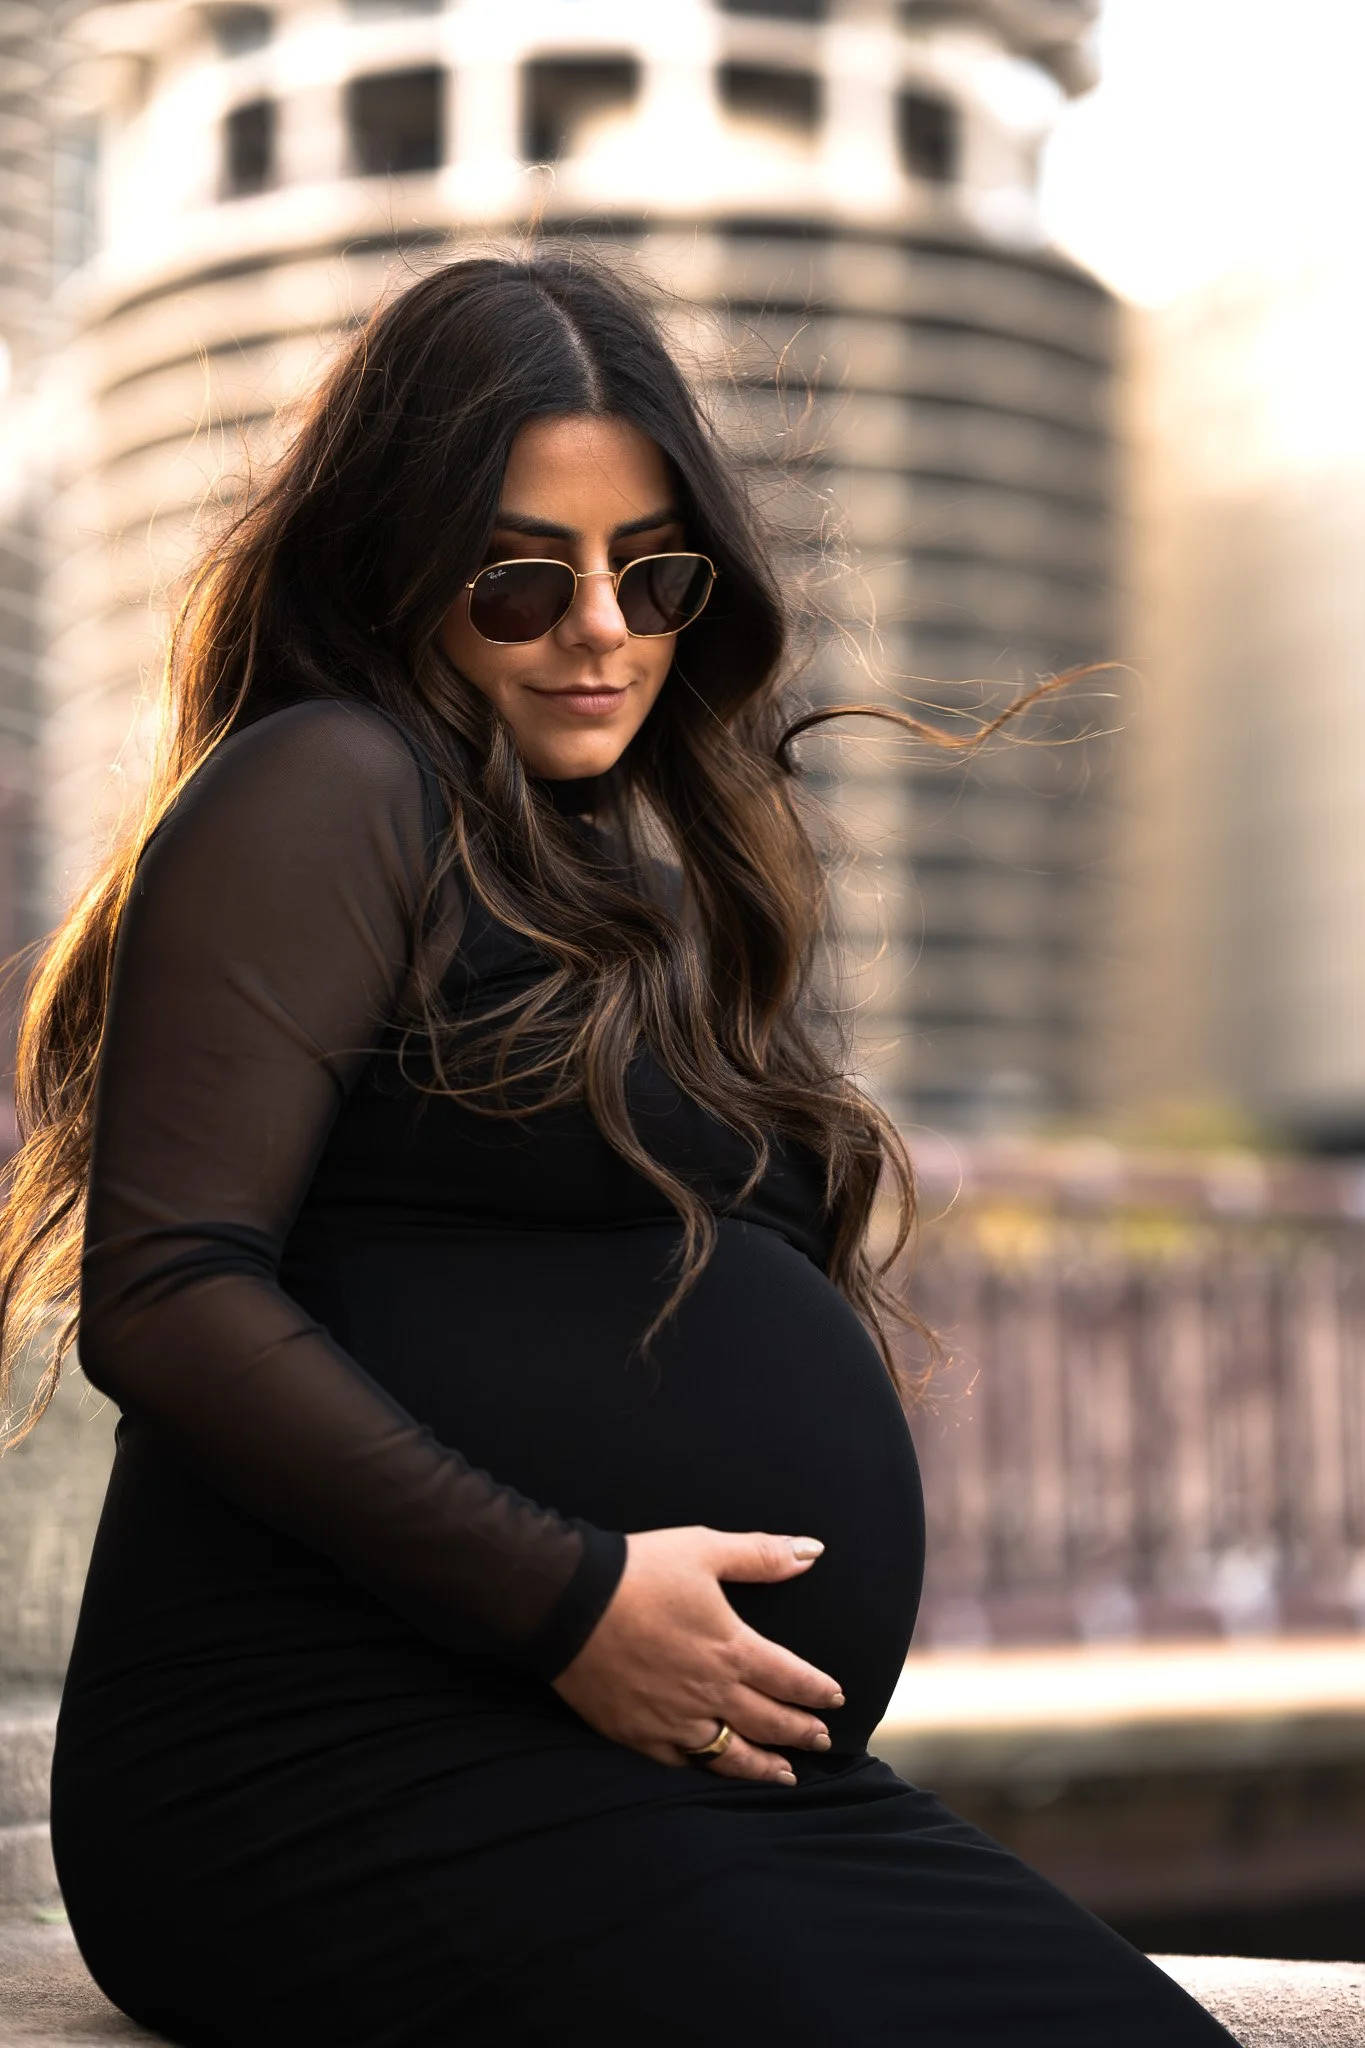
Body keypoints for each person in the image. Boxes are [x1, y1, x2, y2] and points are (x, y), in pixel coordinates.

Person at [0, 252, 1234, 2046]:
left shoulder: (608, 877)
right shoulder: (326, 785)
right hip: (325, 1762)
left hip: (601, 1753)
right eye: (520, 576)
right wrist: (570, 1596)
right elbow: (169, 1296)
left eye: (652, 573)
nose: (601, 627)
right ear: (397, 572)